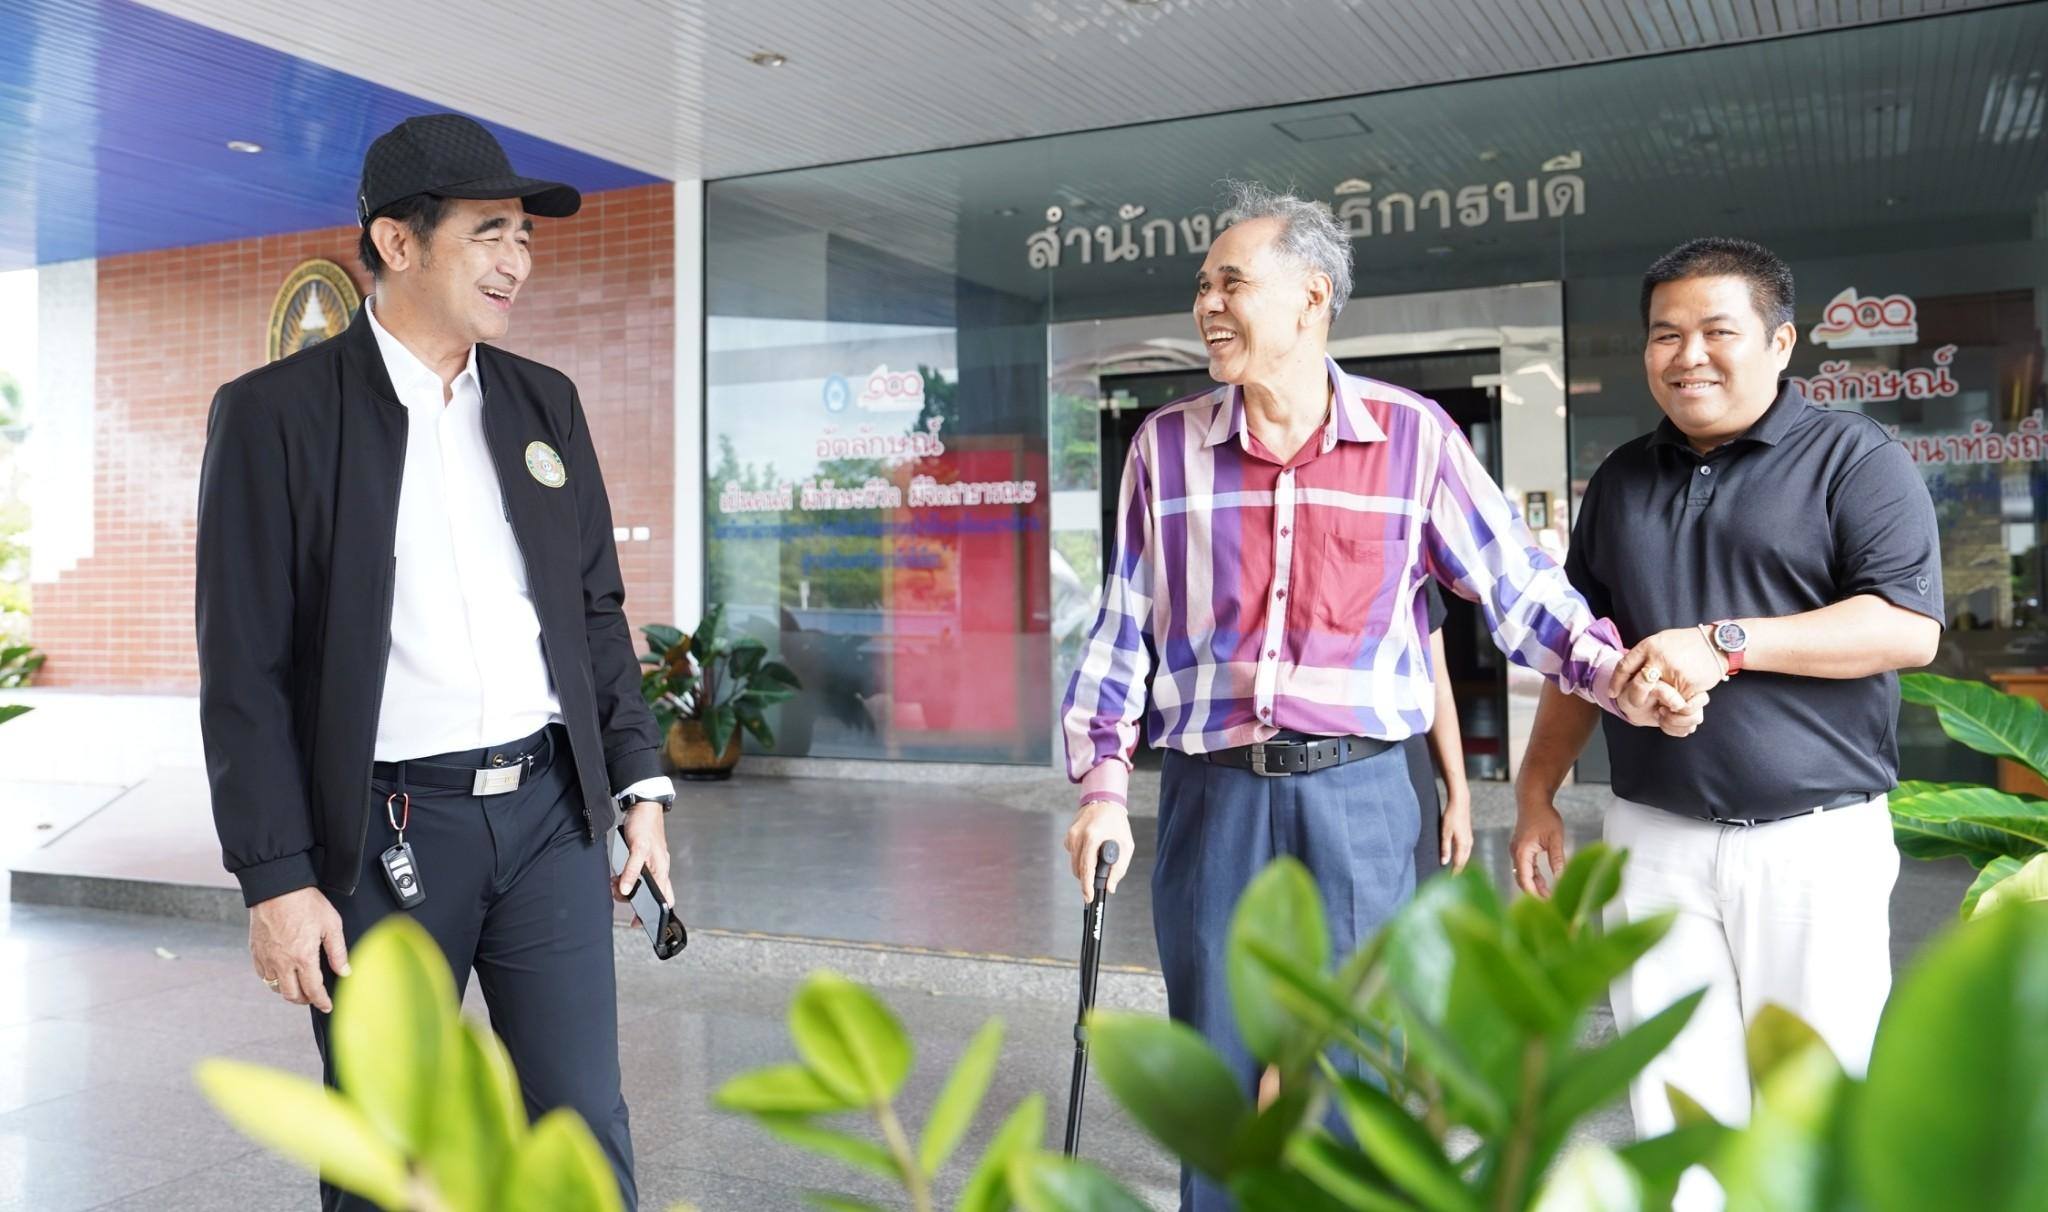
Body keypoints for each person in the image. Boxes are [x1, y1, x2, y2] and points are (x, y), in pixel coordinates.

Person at [1059, 181, 1701, 1212]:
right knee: (1214, 1075)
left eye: (1231, 283)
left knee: (1361, 1071)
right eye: (1202, 286)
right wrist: (1100, 787)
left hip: (1358, 798)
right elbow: (1122, 626)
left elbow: (1519, 588)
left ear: (1311, 295)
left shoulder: (1414, 438)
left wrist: (1616, 675)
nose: (1206, 305)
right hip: (1209, 795)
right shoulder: (1164, 448)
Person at [195, 113, 676, 1211]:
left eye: (525, 236)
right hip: (383, 835)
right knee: (390, 1147)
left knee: (581, 1126)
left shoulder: (544, 401)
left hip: (550, 817)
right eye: (489, 232)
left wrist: (638, 785)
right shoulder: (275, 417)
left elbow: (594, 610)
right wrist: (276, 880)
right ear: (398, 242)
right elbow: (243, 670)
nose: (519, 260)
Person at [1511, 237, 1941, 1211]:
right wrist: (1536, 791)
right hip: (1652, 838)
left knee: (1812, 1107)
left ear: (1779, 341)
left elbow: (1905, 628)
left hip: (1812, 843)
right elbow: (1583, 654)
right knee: (1674, 1109)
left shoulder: (1854, 458)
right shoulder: (1620, 478)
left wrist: (1724, 642)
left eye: (1716, 331)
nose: (1687, 355)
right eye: (1665, 334)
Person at [1408, 583, 1473, 879]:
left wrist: (1459, 796)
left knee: (1422, 890)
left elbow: (1438, 687)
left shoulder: (1410, 565)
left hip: (1405, 760)